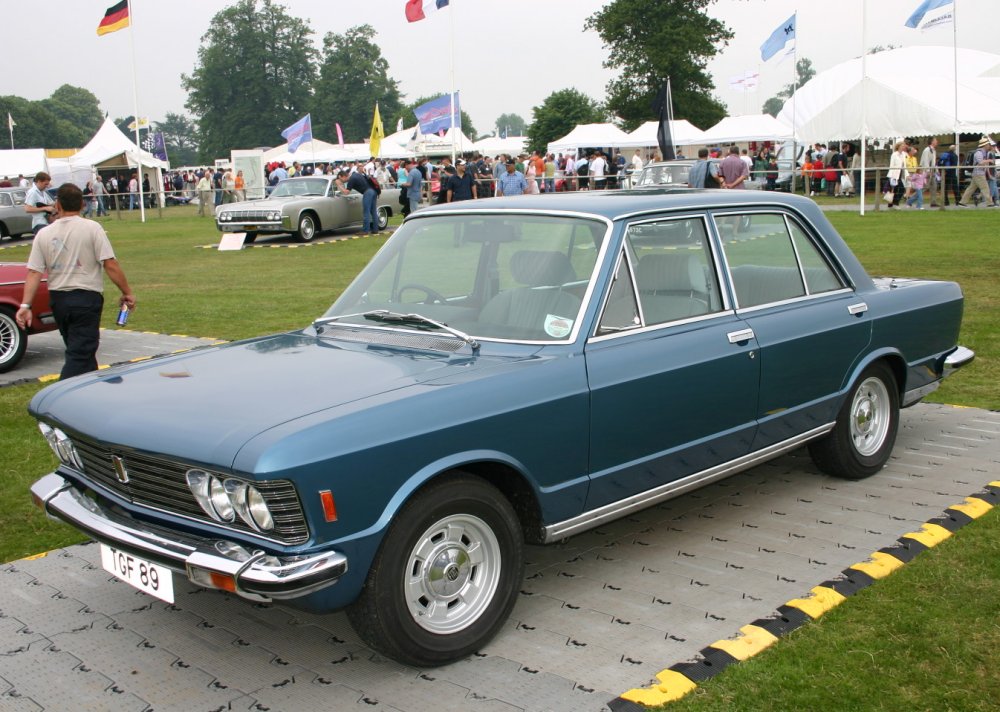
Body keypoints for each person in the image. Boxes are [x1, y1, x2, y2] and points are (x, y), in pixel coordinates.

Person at [15, 183, 135, 380]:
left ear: (58, 205)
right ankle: (61, 397)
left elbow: (34, 272)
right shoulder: (92, 228)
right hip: (85, 297)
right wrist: (127, 291)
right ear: (82, 204)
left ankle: (91, 390)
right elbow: (110, 264)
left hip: (59, 299)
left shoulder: (44, 233)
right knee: (80, 353)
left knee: (80, 348)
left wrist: (25, 304)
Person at [959, 136, 994, 207]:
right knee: (985, 188)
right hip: (979, 174)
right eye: (988, 144)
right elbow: (980, 162)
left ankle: (962, 202)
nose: (989, 146)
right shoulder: (979, 153)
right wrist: (990, 160)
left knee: (970, 189)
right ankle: (990, 203)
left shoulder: (984, 152)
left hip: (978, 174)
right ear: (985, 145)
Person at [887, 141, 908, 208]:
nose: (903, 147)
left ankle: (894, 203)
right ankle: (893, 203)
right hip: (894, 174)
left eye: (903, 146)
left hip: (900, 174)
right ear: (898, 146)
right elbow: (891, 165)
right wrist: (891, 176)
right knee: (895, 189)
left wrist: (907, 175)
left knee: (900, 189)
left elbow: (905, 165)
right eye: (902, 145)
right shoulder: (894, 154)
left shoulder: (904, 154)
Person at [919, 138, 939, 206]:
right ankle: (911, 200)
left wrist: (936, 170)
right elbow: (925, 161)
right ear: (932, 142)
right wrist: (927, 171)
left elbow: (933, 162)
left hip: (932, 171)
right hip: (927, 171)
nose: (937, 142)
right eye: (935, 141)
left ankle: (933, 202)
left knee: (934, 187)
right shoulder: (927, 150)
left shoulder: (933, 150)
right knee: (925, 187)